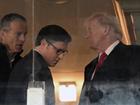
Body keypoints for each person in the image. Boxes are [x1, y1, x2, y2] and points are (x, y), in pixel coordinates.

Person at [79, 12, 140, 105]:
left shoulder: (134, 54)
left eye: (90, 30)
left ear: (105, 30)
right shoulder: (89, 67)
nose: (86, 35)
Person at [5, 24, 72, 105]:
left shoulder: (27, 63)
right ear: (44, 43)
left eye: (64, 52)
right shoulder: (36, 68)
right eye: (58, 51)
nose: (61, 56)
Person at [0, 13, 27, 103]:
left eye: (24, 34)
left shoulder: (22, 63)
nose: (23, 39)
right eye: (18, 34)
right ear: (3, 34)